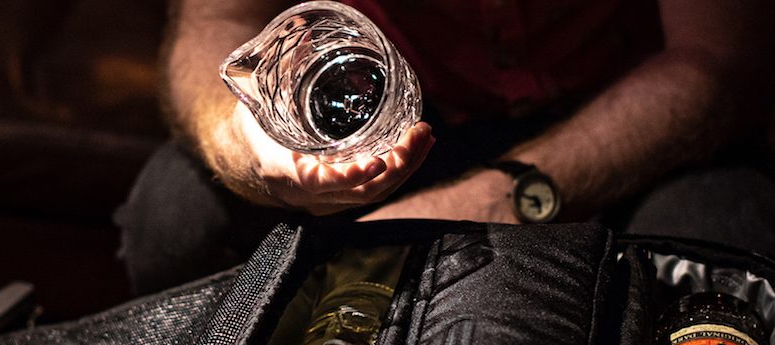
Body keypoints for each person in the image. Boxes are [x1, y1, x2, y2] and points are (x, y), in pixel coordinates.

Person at [116, 0, 775, 295]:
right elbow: (216, 20)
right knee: (175, 216)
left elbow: (717, 60)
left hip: (628, 122)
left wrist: (505, 195)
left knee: (720, 249)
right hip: (406, 116)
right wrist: (246, 143)